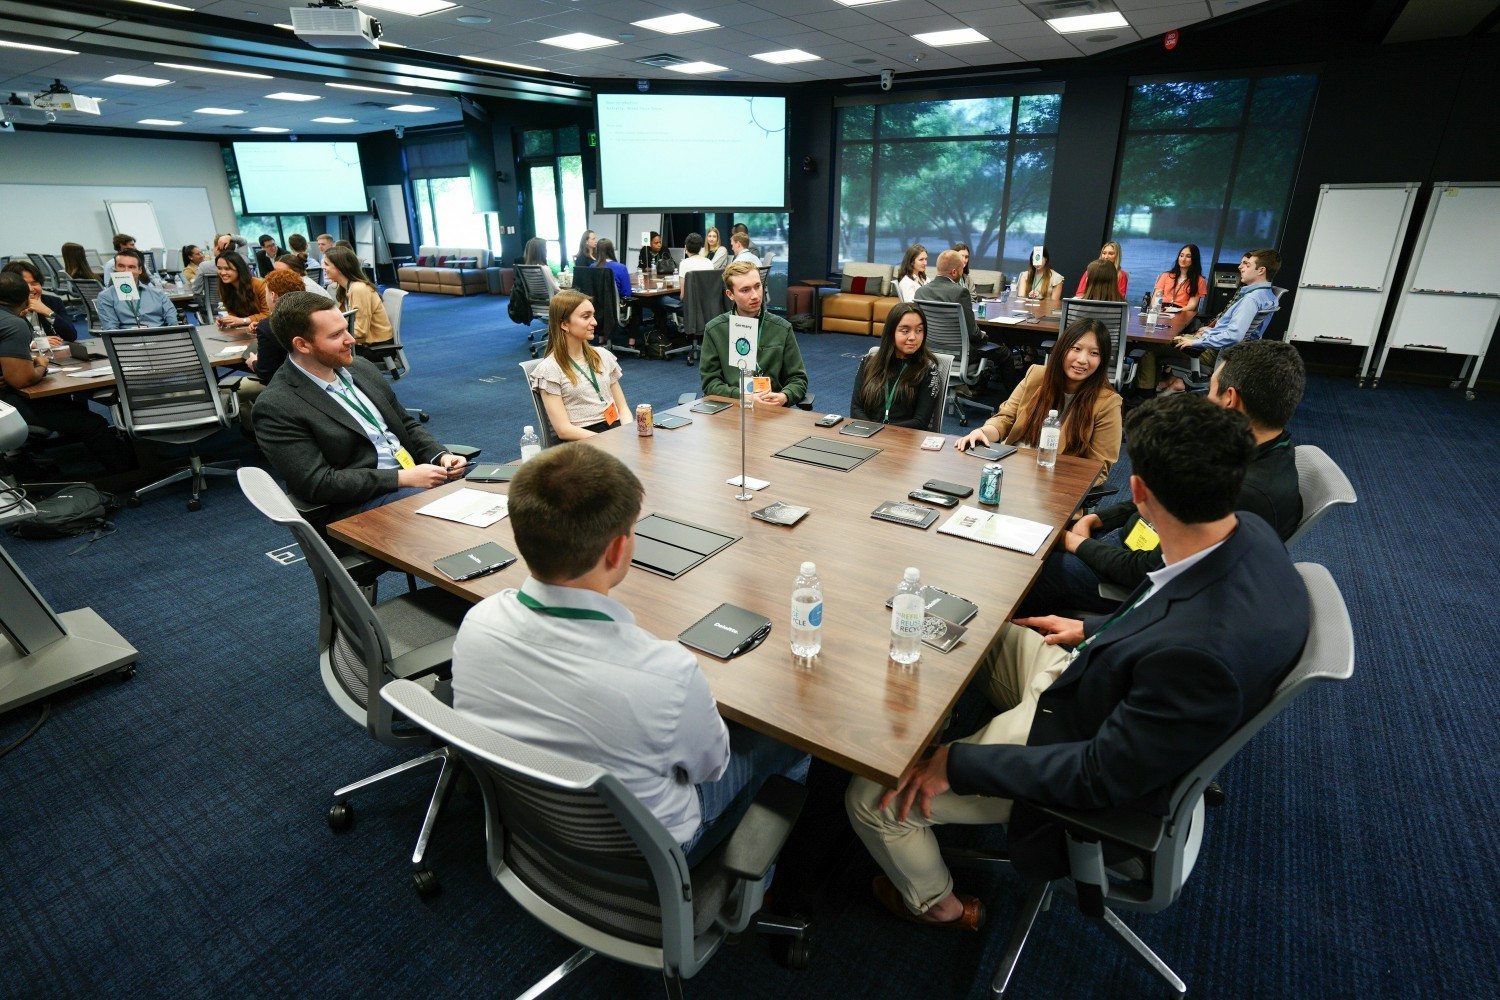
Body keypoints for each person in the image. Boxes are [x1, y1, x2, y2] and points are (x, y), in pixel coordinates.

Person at [847, 393, 1310, 927]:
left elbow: (1097, 776)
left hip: (1075, 743)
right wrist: (1096, 628)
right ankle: (928, 732)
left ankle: (940, 906)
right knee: (970, 627)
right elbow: (1168, 612)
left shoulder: (1198, 657)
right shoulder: (1247, 530)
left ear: (1138, 492)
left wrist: (958, 763)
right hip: (1099, 677)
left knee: (871, 799)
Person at [451, 442, 809, 862]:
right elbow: (710, 769)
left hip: (529, 820)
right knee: (790, 741)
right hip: (649, 849)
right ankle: (753, 889)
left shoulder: (478, 621)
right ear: (619, 550)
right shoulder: (667, 672)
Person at [1018, 338, 1306, 619]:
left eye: (1211, 389)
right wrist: (1097, 519)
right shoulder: (1254, 447)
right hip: (1127, 544)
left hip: (1133, 583)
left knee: (1029, 570)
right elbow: (1162, 494)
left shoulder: (1243, 493)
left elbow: (1148, 570)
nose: (1205, 398)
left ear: (1230, 399)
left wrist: (1073, 543)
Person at [253, 291, 465, 516]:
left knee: (495, 486)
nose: (351, 339)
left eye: (346, 328)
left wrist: (440, 456)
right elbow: (318, 483)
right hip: (363, 503)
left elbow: (405, 424)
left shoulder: (361, 368)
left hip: (414, 477)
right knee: (459, 513)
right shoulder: (277, 406)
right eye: (336, 335)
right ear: (303, 345)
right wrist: (401, 478)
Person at [955, 318, 1122, 483]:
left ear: (1102, 360)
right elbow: (1006, 418)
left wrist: (1048, 482)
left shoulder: (1107, 403)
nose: (1083, 359)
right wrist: (984, 432)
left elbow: (1099, 468)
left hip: (1055, 485)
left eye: (1094, 353)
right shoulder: (1036, 375)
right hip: (1009, 471)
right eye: (1076, 348)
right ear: (1062, 349)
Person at [0, 272, 129, 474]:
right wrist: (41, 364)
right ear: (25, 298)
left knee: (66, 405)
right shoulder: (12, 324)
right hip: (5, 407)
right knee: (92, 423)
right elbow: (21, 380)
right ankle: (127, 474)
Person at [1153, 248, 1283, 393]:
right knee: (1166, 340)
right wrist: (1211, 330)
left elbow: (1234, 336)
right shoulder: (1266, 295)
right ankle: (1172, 381)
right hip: (1229, 349)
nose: (1240, 267)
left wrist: (1195, 342)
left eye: (1247, 265)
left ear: (1261, 271)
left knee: (1152, 348)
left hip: (1212, 352)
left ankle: (1144, 394)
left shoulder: (1251, 299)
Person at [699, 261, 808, 407]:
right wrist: (744, 397)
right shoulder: (715, 330)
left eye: (758, 286)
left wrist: (784, 396)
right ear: (730, 294)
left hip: (773, 410)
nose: (755, 295)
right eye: (745, 290)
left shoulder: (781, 328)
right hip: (732, 409)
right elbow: (710, 384)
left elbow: (798, 379)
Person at [528, 290, 632, 441]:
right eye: (586, 317)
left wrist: (627, 432)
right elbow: (564, 430)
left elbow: (622, 408)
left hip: (614, 429)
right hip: (582, 439)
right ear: (564, 324)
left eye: (593, 315)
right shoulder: (550, 369)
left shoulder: (602, 356)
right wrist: (608, 441)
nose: (595, 322)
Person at [235, 267, 304, 441]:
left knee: (233, 390)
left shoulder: (269, 325)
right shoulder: (311, 314)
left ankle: (254, 435)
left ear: (273, 295)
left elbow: (265, 372)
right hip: (313, 378)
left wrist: (254, 362)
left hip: (285, 383)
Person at [849, 303, 942, 429]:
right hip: (866, 435)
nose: (913, 337)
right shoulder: (868, 362)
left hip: (904, 440)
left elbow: (920, 422)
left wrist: (882, 432)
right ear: (891, 332)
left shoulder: (927, 370)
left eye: (919, 330)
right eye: (905, 331)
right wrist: (870, 432)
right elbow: (856, 409)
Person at [322, 246, 392, 346]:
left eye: (326, 264)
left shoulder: (359, 289)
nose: (323, 267)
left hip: (375, 345)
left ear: (340, 268)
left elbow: (361, 331)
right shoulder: (346, 287)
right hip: (363, 342)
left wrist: (330, 334)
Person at [913, 249, 982, 347]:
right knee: (1004, 354)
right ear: (954, 272)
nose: (962, 272)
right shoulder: (961, 293)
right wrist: (983, 336)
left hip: (929, 350)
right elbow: (972, 333)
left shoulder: (920, 292)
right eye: (961, 269)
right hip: (959, 353)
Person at [95, 249, 176, 329]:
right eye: (121, 266)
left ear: (140, 270)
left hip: (160, 337)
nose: (126, 271)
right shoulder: (106, 296)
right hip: (128, 339)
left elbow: (173, 323)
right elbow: (111, 328)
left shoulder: (158, 294)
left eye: (131, 267)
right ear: (115, 268)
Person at [2, 260, 79, 345]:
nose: (31, 289)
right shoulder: (5, 308)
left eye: (34, 283)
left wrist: (48, 312)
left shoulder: (53, 302)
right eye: (24, 284)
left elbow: (71, 336)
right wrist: (33, 344)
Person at [213, 251, 269, 333]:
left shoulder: (260, 285)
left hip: (263, 330)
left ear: (239, 269)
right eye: (219, 268)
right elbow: (233, 313)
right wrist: (227, 319)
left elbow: (268, 315)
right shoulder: (225, 286)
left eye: (227, 268)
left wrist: (243, 320)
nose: (222, 272)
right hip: (244, 331)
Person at [1152, 243, 1207, 310]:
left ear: (1194, 259)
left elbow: (1192, 305)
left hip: (1181, 312)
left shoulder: (1199, 280)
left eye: (1188, 256)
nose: (1183, 259)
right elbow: (1155, 299)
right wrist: (1157, 310)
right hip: (1161, 310)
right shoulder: (1165, 275)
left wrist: (1175, 311)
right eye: (1181, 256)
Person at [594, 238, 632, 303]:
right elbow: (626, 294)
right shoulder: (621, 268)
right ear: (612, 250)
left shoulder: (592, 267)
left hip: (594, 308)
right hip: (614, 308)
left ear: (597, 251)